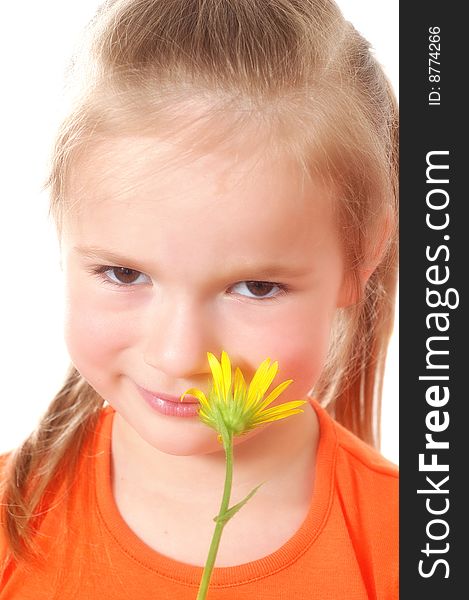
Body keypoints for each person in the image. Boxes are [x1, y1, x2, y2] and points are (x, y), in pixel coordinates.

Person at [0, 0, 398, 598]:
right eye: (124, 273)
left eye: (257, 287)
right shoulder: (13, 520)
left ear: (361, 256)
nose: (180, 354)